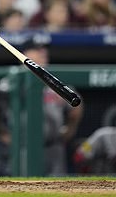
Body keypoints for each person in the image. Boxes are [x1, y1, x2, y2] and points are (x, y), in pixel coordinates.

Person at [21, 35, 83, 176]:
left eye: (44, 50)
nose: (43, 53)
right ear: (25, 54)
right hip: (24, 146)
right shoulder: (12, 81)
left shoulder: (56, 82)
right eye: (37, 50)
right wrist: (3, 133)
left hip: (54, 147)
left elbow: (77, 104)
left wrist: (70, 128)